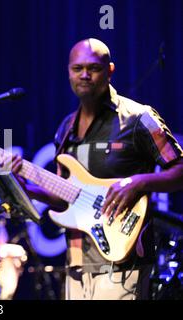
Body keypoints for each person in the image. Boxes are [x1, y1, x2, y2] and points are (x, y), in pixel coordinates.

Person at [10, 38, 183, 300]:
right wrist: (28, 190)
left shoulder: (138, 118)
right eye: (77, 68)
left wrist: (139, 182)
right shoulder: (66, 127)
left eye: (94, 68)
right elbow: (65, 196)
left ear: (110, 70)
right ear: (68, 72)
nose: (85, 75)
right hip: (78, 261)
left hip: (124, 262)